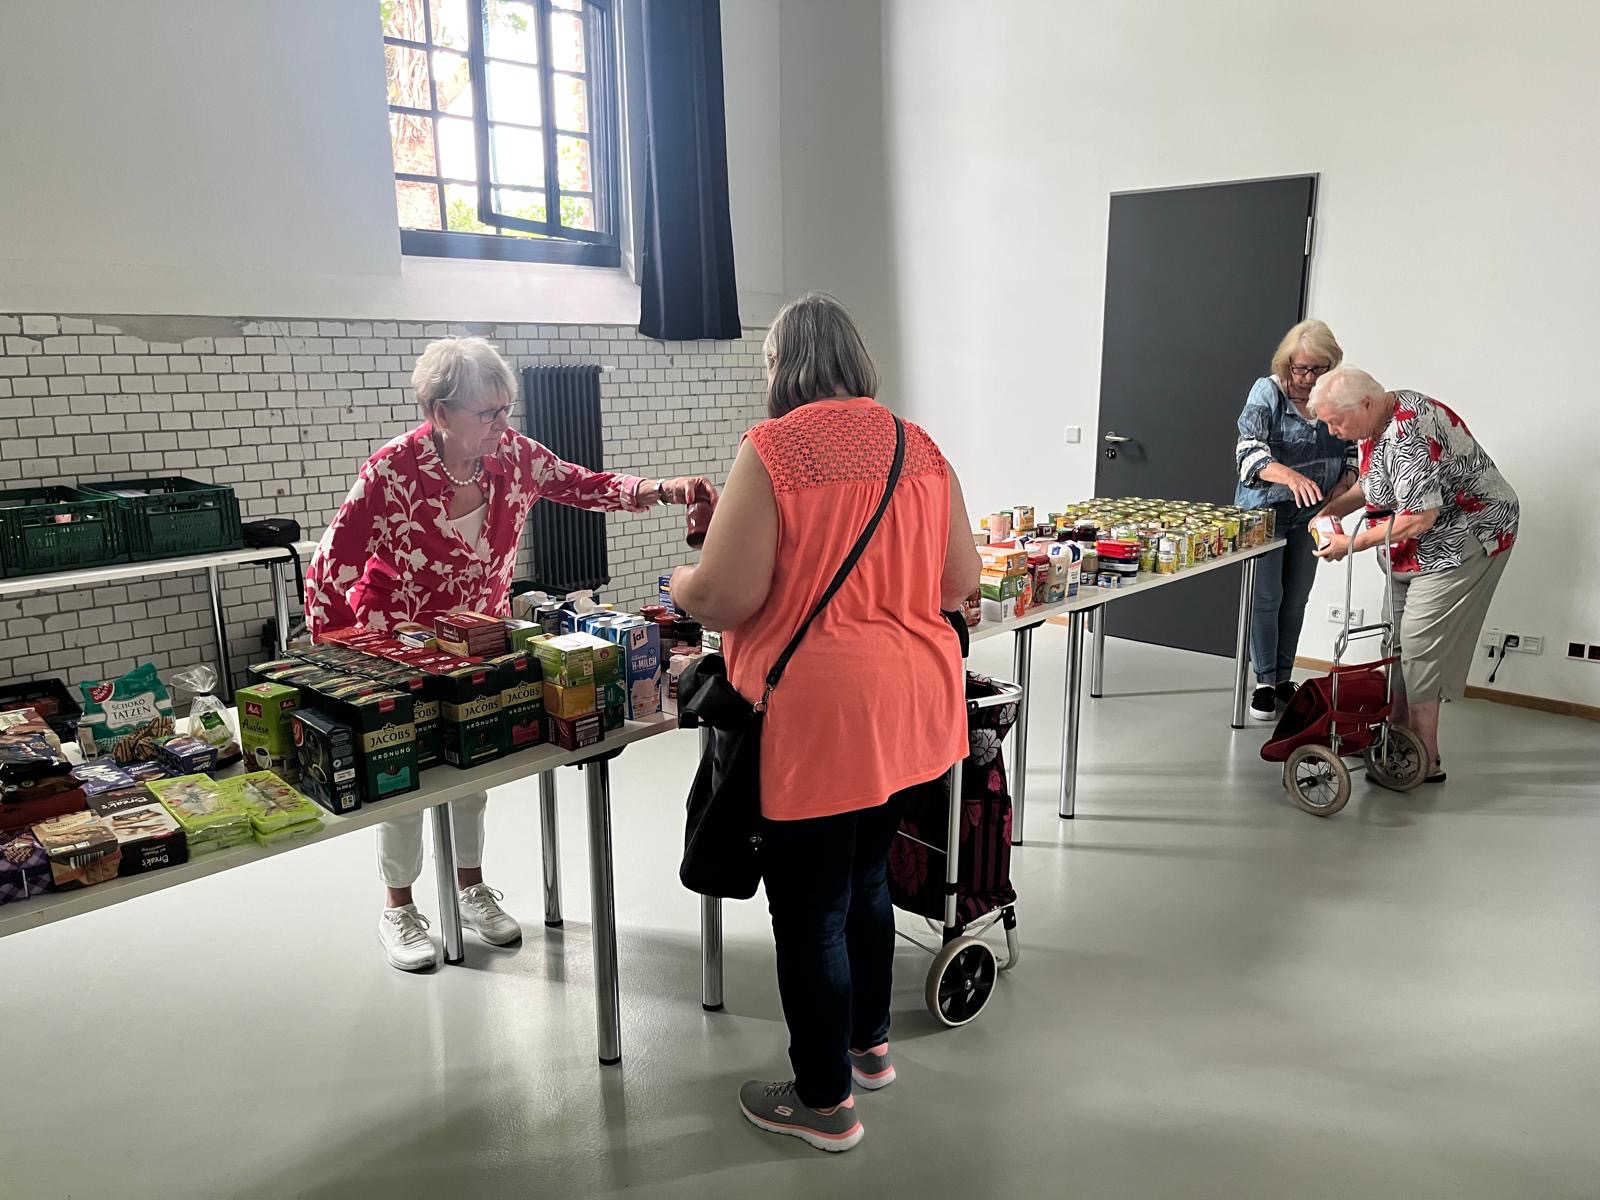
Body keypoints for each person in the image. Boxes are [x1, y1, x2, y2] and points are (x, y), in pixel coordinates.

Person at [670, 293, 980, 1153]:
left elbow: (728, 594)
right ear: (858, 360)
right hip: (911, 707)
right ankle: (868, 1045)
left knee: (809, 913)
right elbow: (960, 581)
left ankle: (823, 1102)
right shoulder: (918, 444)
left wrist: (680, 582)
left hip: (817, 716)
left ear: (782, 369)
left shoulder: (773, 450)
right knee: (870, 881)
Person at [305, 337, 714, 972]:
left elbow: (587, 485)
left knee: (473, 775)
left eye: (507, 410)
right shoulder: (391, 474)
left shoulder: (514, 459)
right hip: (400, 648)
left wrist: (662, 489)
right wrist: (341, 664)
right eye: (487, 413)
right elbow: (331, 569)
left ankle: (471, 889)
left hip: (480, 644)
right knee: (404, 780)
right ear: (441, 413)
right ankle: (399, 906)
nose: (503, 424)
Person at [1309, 367, 1518, 783]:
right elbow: (1374, 485)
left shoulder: (1409, 432)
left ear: (1365, 404)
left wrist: (1349, 544)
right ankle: (1397, 738)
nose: (1333, 432)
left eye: (1337, 421)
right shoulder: (1376, 419)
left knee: (1420, 640)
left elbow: (1419, 517)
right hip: (1416, 545)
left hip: (1469, 534)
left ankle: (1424, 756)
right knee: (1395, 637)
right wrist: (1333, 511)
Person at [1234, 319, 1362, 720]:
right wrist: (1290, 476)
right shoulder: (1267, 391)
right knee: (1266, 598)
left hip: (1315, 513)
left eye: (1316, 369)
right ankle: (1264, 684)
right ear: (1286, 362)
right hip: (1265, 513)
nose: (1306, 378)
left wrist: (1346, 485)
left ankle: (1285, 677)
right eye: (1299, 368)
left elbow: (1352, 451)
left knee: (1297, 597)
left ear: (1332, 365)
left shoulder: (1335, 396)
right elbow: (1248, 453)